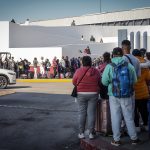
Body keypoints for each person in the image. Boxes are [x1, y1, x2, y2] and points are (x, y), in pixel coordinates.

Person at [102, 47, 140, 146]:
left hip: (113, 95)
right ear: (122, 55)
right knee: (129, 116)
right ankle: (134, 138)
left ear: (113, 55)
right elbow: (135, 80)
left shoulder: (109, 66)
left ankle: (116, 139)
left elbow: (104, 82)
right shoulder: (129, 65)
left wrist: (112, 82)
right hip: (127, 95)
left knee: (115, 117)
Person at [73, 56, 100, 139]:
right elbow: (99, 81)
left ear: (82, 62)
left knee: (82, 113)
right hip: (93, 93)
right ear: (90, 62)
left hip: (81, 93)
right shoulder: (96, 71)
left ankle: (81, 133)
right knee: (91, 113)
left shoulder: (78, 71)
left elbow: (74, 82)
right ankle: (91, 133)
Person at [132, 49, 150, 132]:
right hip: (143, 91)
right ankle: (146, 125)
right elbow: (148, 78)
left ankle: (137, 127)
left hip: (133, 91)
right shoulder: (145, 64)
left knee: (134, 110)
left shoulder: (130, 63)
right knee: (144, 110)